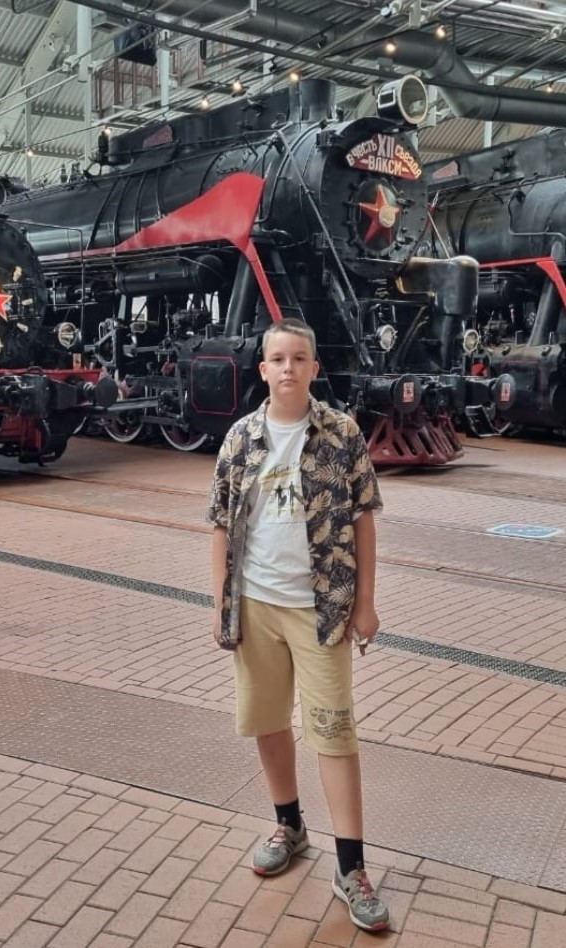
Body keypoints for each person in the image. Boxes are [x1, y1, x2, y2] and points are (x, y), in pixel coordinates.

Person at [208, 317, 389, 933]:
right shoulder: (240, 439)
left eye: (299, 358)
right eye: (278, 359)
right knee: (267, 721)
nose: (288, 368)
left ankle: (351, 868)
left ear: (315, 367)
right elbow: (220, 524)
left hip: (322, 609)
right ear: (263, 369)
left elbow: (364, 518)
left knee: (334, 732)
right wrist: (221, 603)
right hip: (255, 605)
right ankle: (289, 824)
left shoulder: (342, 433)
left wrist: (366, 603)